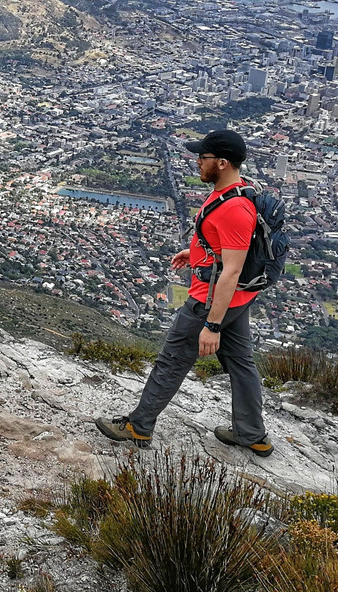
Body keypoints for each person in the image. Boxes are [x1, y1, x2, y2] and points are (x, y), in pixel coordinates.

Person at [95, 129, 273, 456]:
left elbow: (233, 269)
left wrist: (212, 325)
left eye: (202, 158)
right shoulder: (237, 191)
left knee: (173, 359)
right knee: (241, 363)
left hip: (211, 300)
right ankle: (253, 435)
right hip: (236, 300)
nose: (196, 162)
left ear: (221, 162)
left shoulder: (235, 208)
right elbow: (226, 251)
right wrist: (196, 254)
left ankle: (139, 425)